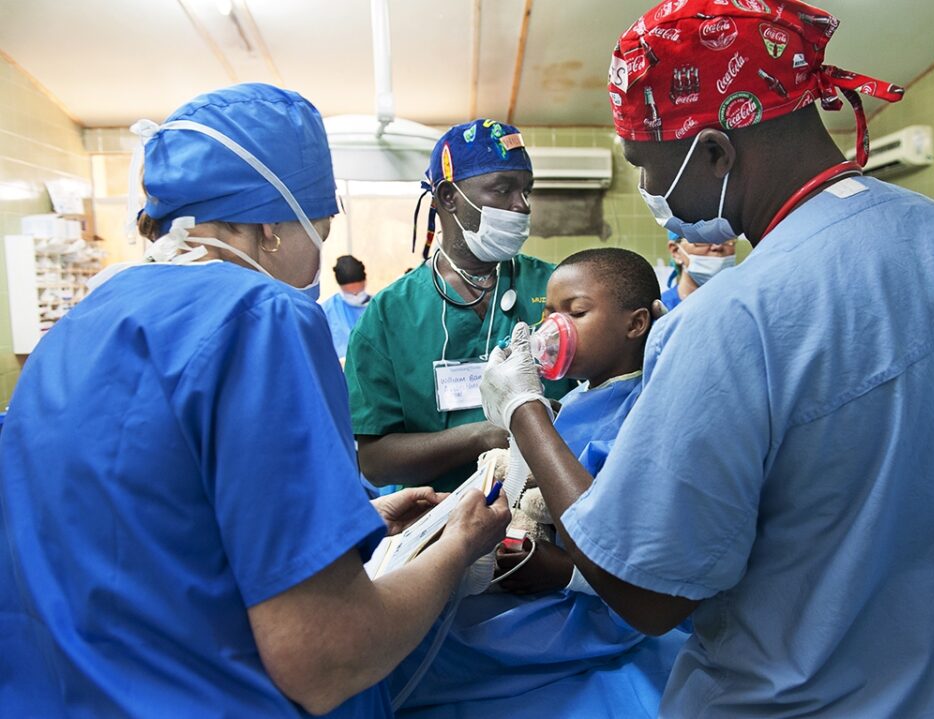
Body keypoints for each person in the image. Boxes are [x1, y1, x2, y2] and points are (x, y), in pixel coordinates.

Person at [481, 2, 934, 716]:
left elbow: (645, 592)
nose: (651, 193)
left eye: (646, 167)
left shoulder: (734, 319)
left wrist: (522, 410)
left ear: (713, 152)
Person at [0, 83, 510, 718]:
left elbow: (139, 529)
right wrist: (460, 544)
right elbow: (325, 657)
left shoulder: (83, 324)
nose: (321, 251)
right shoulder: (261, 317)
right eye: (320, 226)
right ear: (271, 226)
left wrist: (353, 526)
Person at [390, 247, 686, 719]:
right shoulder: (579, 400)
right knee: (425, 624)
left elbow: (634, 546)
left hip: (598, 604)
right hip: (543, 579)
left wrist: (562, 571)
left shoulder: (643, 413)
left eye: (577, 312)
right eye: (547, 312)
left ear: (635, 325)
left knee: (437, 651)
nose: (553, 328)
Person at [346, 119, 574, 493]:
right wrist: (482, 436)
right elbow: (375, 462)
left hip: (548, 514)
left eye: (526, 191)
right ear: (449, 197)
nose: (521, 205)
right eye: (502, 190)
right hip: (439, 524)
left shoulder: (556, 288)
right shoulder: (389, 316)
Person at [660, 229, 736, 310]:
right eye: (703, 238)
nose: (718, 246)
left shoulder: (744, 304)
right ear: (676, 251)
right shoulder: (662, 311)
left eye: (725, 237)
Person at [322, 254, 370, 360]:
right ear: (340, 287)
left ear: (365, 281)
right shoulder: (327, 310)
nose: (355, 295)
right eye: (350, 293)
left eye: (358, 292)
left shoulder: (377, 307)